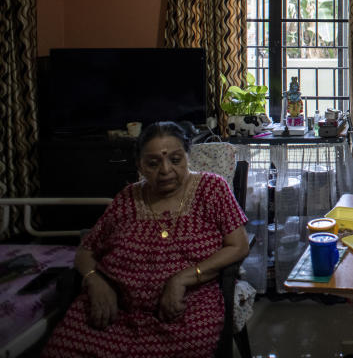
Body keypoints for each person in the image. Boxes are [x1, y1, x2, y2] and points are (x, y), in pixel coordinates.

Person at [42, 121, 249, 358]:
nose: (165, 170)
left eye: (175, 159)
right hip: (113, 311)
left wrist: (182, 278)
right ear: (139, 165)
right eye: (153, 163)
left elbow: (238, 245)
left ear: (187, 156)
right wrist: (95, 281)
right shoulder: (128, 198)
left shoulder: (212, 189)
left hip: (182, 311)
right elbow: (86, 250)